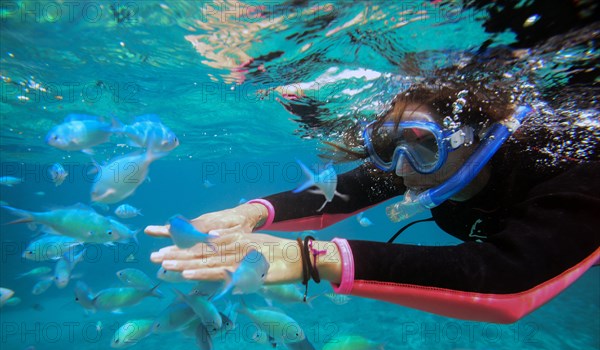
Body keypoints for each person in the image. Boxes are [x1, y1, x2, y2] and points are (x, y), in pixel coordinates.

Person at [146, 79, 599, 324]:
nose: (401, 167)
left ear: (479, 138)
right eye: (388, 145)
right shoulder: (425, 166)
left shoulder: (573, 173)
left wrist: (308, 257)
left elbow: (510, 277)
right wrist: (248, 212)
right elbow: (348, 189)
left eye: (423, 143)